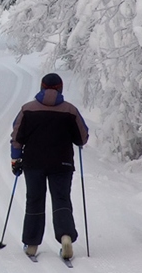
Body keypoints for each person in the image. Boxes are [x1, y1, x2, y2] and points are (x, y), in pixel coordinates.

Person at [10, 73, 89, 259]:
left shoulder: (27, 110)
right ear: (61, 88)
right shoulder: (70, 111)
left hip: (34, 163)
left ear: (41, 87)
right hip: (62, 163)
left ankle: (31, 244)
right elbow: (82, 137)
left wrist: (16, 160)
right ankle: (65, 236)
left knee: (35, 199)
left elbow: (16, 138)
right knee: (61, 199)